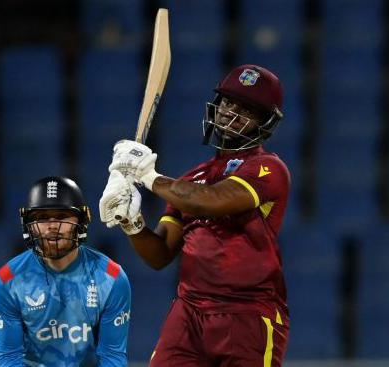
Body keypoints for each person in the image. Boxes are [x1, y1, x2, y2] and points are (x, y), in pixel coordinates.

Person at [100, 65, 290, 366]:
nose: (230, 112)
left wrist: (147, 176)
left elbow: (211, 201)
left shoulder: (269, 169)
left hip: (249, 312)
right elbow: (160, 254)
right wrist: (131, 222)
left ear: (264, 122)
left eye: (246, 109)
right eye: (228, 102)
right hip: (188, 311)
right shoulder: (191, 179)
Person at [0, 176, 131, 366]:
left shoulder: (111, 278)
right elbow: (9, 358)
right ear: (29, 225)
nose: (52, 226)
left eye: (62, 216)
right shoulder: (7, 281)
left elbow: (112, 357)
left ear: (81, 221)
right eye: (41, 218)